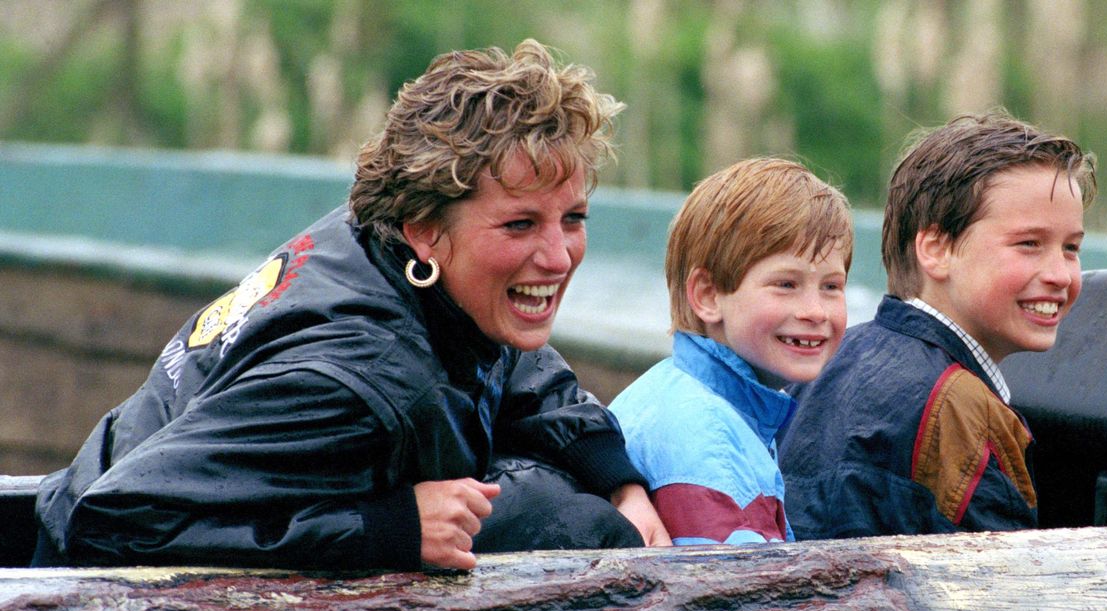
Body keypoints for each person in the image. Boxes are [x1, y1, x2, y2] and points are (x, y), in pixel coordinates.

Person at [32, 39, 669, 571]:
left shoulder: (391, 251)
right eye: (520, 226)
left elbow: (515, 364)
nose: (558, 257)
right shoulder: (360, 377)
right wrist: (388, 529)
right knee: (574, 529)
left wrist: (619, 479)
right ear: (425, 228)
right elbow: (112, 521)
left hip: (120, 480)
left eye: (574, 218)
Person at [780, 111, 1097, 540]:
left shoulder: (828, 362)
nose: (1060, 274)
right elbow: (1004, 592)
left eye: (1071, 248)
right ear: (936, 249)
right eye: (1029, 244)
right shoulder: (965, 411)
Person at [609, 158, 852, 545]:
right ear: (707, 296)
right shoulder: (709, 446)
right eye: (786, 284)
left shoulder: (686, 393)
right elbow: (737, 599)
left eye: (831, 287)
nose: (815, 311)